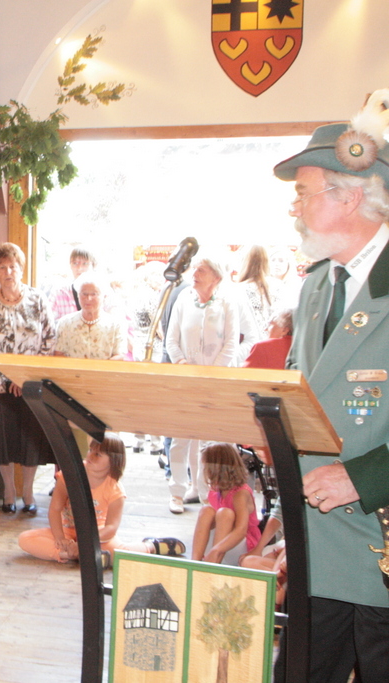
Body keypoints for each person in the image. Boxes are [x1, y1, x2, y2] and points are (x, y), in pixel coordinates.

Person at [273, 91, 389, 681]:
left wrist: (363, 478)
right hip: (317, 548)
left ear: (350, 196)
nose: (294, 208)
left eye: (303, 192)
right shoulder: (317, 285)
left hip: (379, 547)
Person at [17, 433, 185, 566]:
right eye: (90, 450)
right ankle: (72, 555)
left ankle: (150, 546)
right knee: (25, 539)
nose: (90, 456)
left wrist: (84, 543)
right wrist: (60, 538)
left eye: (98, 454)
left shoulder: (115, 489)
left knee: (121, 553)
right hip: (67, 531)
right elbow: (54, 510)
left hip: (96, 535)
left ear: (114, 461)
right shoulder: (69, 476)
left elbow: (111, 528)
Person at [0, 242, 55, 514]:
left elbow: (49, 339)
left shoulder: (38, 300)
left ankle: (28, 491)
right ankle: (9, 490)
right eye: (2, 267)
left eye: (13, 266)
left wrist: (26, 379)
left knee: (30, 442)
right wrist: (8, 379)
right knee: (2, 441)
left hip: (31, 386)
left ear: (21, 269)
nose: (8, 272)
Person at [164, 255, 240, 514]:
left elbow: (231, 343)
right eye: (195, 269)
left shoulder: (227, 303)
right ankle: (176, 492)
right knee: (180, 439)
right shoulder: (183, 299)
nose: (195, 274)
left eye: (202, 270)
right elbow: (171, 339)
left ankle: (207, 495)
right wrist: (182, 363)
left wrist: (212, 373)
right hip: (186, 380)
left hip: (215, 381)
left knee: (209, 440)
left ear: (216, 277)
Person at [190, 442, 260, 566]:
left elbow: (241, 531)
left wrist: (216, 550)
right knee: (206, 510)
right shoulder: (215, 491)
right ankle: (194, 563)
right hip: (219, 544)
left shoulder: (240, 494)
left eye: (206, 467)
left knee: (225, 513)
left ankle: (214, 565)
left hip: (240, 545)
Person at [52, 271, 125, 361]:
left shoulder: (115, 325)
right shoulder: (65, 323)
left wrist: (98, 368)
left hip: (104, 370)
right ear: (78, 295)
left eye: (94, 294)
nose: (88, 298)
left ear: (104, 296)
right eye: (84, 294)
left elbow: (119, 356)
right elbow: (58, 354)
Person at [47, 246, 96, 322]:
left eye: (85, 263)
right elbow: (48, 323)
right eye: (75, 263)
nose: (79, 268)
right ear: (70, 265)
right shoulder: (59, 293)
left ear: (93, 265)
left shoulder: (104, 293)